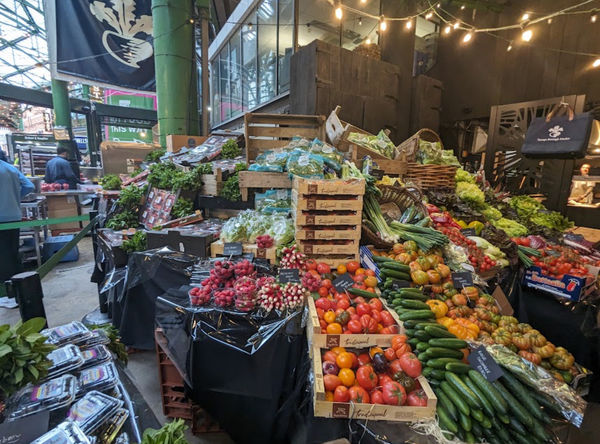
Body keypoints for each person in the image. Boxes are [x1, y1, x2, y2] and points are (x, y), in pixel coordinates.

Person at [0, 150, 34, 284]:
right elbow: (29, 186)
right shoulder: (9, 167)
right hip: (13, 215)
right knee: (12, 252)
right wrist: (15, 198)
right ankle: (21, 287)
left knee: (2, 255)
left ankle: (7, 292)